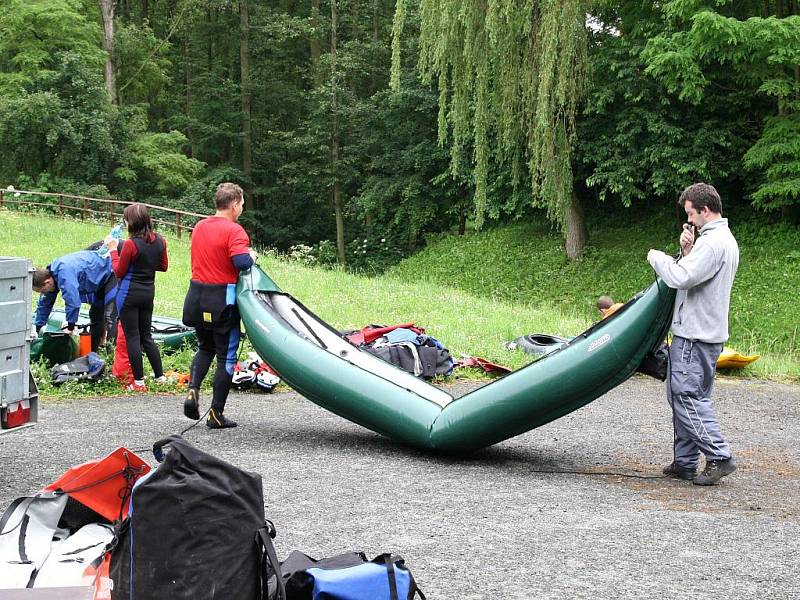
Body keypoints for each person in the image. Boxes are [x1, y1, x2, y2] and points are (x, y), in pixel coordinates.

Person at [647, 182, 739, 486]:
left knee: (686, 397)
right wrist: (687, 250)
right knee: (684, 397)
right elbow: (696, 274)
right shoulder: (719, 240)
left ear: (705, 210)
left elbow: (682, 277)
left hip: (695, 334)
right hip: (706, 333)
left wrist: (657, 257)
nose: (690, 221)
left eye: (691, 214)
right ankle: (684, 463)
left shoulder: (712, 244)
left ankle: (719, 456)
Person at [182, 182, 256, 429]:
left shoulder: (200, 226)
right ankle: (216, 414)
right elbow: (241, 262)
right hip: (221, 301)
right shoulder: (235, 231)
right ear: (234, 205)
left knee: (205, 347)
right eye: (242, 205)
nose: (242, 209)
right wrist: (252, 256)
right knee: (226, 355)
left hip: (196, 297)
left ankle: (193, 389)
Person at [106, 203, 168, 392]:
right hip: (148, 292)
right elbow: (163, 266)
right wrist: (146, 264)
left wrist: (112, 250)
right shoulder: (160, 240)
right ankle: (160, 377)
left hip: (128, 294)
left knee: (133, 337)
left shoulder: (131, 244)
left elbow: (118, 271)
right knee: (147, 335)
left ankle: (139, 382)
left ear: (131, 222)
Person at [32, 251, 117, 352]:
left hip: (111, 272)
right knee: (95, 315)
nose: (43, 293)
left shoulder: (64, 275)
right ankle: (93, 352)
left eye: (42, 291)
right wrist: (38, 328)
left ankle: (112, 356)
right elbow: (44, 304)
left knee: (110, 317)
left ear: (47, 283)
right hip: (98, 281)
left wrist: (70, 326)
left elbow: (73, 302)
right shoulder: (50, 276)